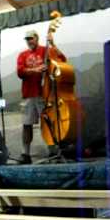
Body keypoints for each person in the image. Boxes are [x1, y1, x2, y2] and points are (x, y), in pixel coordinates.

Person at [16, 29, 66, 164]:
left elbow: (62, 59)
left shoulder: (46, 50)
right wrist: (35, 70)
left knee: (48, 124)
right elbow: (20, 72)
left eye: (31, 38)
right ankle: (25, 154)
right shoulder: (22, 55)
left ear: (37, 38)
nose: (29, 41)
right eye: (27, 39)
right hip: (28, 95)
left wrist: (53, 44)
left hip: (45, 94)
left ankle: (53, 150)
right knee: (26, 124)